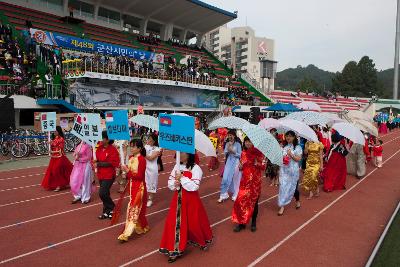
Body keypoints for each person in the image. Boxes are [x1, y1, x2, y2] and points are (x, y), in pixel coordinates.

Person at [159, 153, 213, 263]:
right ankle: (175, 250)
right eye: (179, 152)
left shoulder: (196, 168)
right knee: (175, 224)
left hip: (191, 200)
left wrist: (182, 178)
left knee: (194, 223)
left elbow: (194, 186)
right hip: (177, 200)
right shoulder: (177, 166)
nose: (180, 154)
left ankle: (198, 239)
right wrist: (175, 183)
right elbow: (170, 183)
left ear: (189, 154)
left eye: (183, 153)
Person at [115, 139, 150, 242]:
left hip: (140, 188)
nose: (131, 148)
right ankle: (143, 226)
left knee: (132, 209)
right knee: (138, 209)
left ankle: (126, 233)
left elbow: (139, 176)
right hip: (132, 187)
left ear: (139, 148)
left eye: (134, 146)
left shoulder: (142, 160)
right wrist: (123, 170)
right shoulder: (130, 158)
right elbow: (129, 175)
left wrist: (127, 171)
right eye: (131, 146)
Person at [232, 137, 266, 232]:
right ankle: (241, 223)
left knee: (254, 203)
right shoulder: (243, 153)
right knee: (240, 201)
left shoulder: (259, 154)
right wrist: (240, 167)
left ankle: (253, 222)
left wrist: (257, 163)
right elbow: (242, 168)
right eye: (246, 141)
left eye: (250, 141)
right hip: (245, 182)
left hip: (255, 182)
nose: (248, 143)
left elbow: (263, 166)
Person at [95, 131, 120, 219]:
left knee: (102, 193)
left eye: (102, 138)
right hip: (100, 174)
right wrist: (95, 162)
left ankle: (112, 207)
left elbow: (113, 162)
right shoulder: (99, 148)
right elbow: (96, 160)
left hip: (109, 174)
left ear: (108, 139)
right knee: (106, 193)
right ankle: (107, 211)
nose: (101, 140)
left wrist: (99, 164)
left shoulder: (112, 149)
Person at [277, 131, 302, 216]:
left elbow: (298, 159)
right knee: (283, 187)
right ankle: (282, 205)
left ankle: (297, 200)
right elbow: (281, 158)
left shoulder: (297, 147)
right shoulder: (284, 147)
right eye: (287, 136)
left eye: (290, 136)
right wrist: (280, 151)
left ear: (294, 137)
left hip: (293, 171)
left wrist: (291, 154)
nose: (288, 137)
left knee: (294, 189)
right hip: (284, 171)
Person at [41, 126, 73, 192]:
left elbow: (60, 150)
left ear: (58, 131)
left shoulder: (61, 139)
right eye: (54, 131)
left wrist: (52, 150)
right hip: (54, 157)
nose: (54, 132)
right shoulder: (55, 138)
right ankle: (60, 184)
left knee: (56, 170)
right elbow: (53, 146)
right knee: (52, 171)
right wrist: (50, 144)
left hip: (60, 157)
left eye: (56, 131)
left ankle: (60, 184)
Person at [218, 130, 242, 203]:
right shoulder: (227, 143)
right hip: (229, 162)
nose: (230, 136)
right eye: (228, 135)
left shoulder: (238, 144)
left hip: (236, 163)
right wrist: (228, 150)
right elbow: (225, 153)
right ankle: (223, 194)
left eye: (231, 135)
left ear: (234, 136)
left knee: (235, 179)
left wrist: (233, 152)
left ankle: (236, 194)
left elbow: (240, 155)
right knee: (225, 178)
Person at [144, 133, 162, 207]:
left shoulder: (158, 149)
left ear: (154, 141)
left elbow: (151, 158)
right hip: (144, 167)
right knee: (144, 183)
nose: (148, 141)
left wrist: (143, 153)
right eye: (148, 139)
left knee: (152, 183)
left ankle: (150, 199)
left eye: (150, 140)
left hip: (152, 168)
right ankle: (144, 197)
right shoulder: (145, 146)